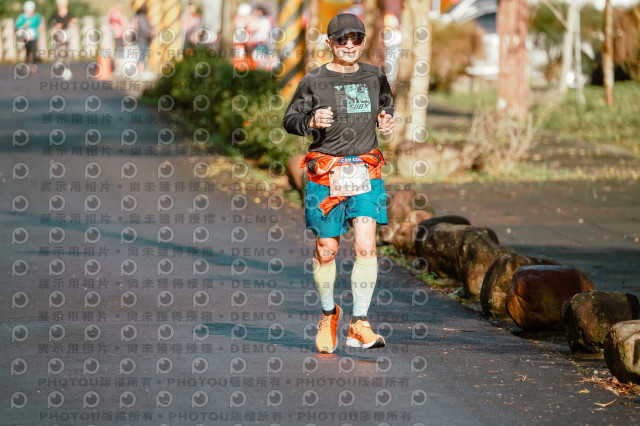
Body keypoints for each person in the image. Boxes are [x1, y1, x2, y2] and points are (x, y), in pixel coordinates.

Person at [283, 13, 395, 354]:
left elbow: (386, 105)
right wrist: (311, 120)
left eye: (355, 39)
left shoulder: (375, 76)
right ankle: (329, 314)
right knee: (326, 249)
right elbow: (290, 120)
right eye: (341, 39)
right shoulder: (314, 80)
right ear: (329, 43)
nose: (349, 45)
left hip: (364, 170)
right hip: (325, 173)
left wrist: (386, 120)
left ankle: (359, 323)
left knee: (365, 245)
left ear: (363, 41)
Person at [49, 0, 76, 80]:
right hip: (58, 33)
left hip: (66, 32)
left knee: (67, 49)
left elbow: (73, 20)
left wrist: (72, 22)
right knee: (58, 48)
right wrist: (55, 26)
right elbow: (50, 21)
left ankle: (67, 63)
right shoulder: (55, 13)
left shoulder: (69, 13)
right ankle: (57, 63)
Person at [15, 1, 43, 73]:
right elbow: (17, 25)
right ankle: (27, 63)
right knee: (28, 50)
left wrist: (40, 28)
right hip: (26, 37)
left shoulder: (36, 16)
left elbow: (41, 23)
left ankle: (33, 65)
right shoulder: (22, 17)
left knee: (34, 50)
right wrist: (23, 26)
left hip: (34, 36)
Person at [107, 1, 127, 72]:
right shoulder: (116, 13)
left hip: (116, 34)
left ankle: (118, 66)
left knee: (118, 50)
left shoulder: (111, 13)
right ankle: (118, 66)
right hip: (119, 34)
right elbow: (121, 24)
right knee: (119, 50)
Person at [134, 4, 153, 75]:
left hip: (144, 40)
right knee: (142, 56)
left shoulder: (142, 17)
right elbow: (144, 29)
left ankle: (142, 71)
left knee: (143, 56)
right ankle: (138, 71)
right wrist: (151, 32)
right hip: (142, 40)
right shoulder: (142, 18)